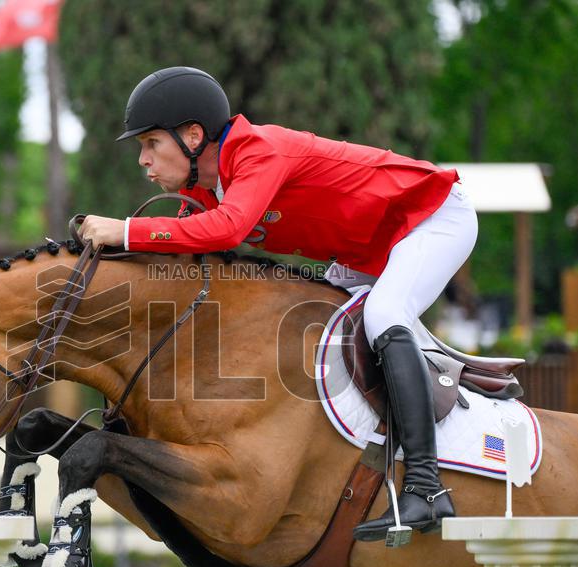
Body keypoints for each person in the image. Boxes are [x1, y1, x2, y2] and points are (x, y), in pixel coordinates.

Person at [79, 66, 479, 540]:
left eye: (151, 144)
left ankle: (427, 488)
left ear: (192, 135)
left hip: (429, 217)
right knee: (314, 333)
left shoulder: (259, 151)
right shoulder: (201, 188)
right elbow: (187, 253)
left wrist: (123, 228)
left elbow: (227, 229)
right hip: (364, 252)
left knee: (385, 316)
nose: (144, 160)